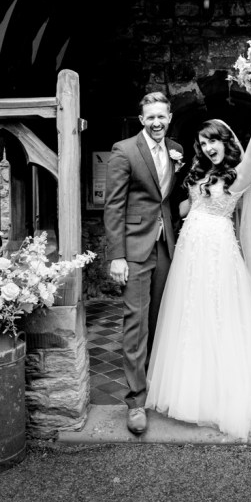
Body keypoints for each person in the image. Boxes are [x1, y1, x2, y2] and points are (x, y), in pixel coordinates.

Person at [146, 83, 251, 439]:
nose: (208, 147)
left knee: (220, 312)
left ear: (226, 141)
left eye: (213, 140)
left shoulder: (239, 173)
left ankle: (224, 390)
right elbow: (186, 208)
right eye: (202, 142)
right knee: (191, 312)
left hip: (218, 249)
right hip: (190, 249)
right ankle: (191, 389)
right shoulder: (200, 172)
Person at [105, 91, 184, 436]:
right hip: (135, 249)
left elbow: (170, 198)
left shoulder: (176, 149)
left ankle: (157, 385)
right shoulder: (124, 150)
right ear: (141, 120)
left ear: (169, 118)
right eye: (150, 117)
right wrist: (117, 256)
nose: (156, 123)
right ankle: (136, 402)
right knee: (136, 324)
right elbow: (114, 206)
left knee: (160, 320)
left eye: (161, 116)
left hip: (166, 246)